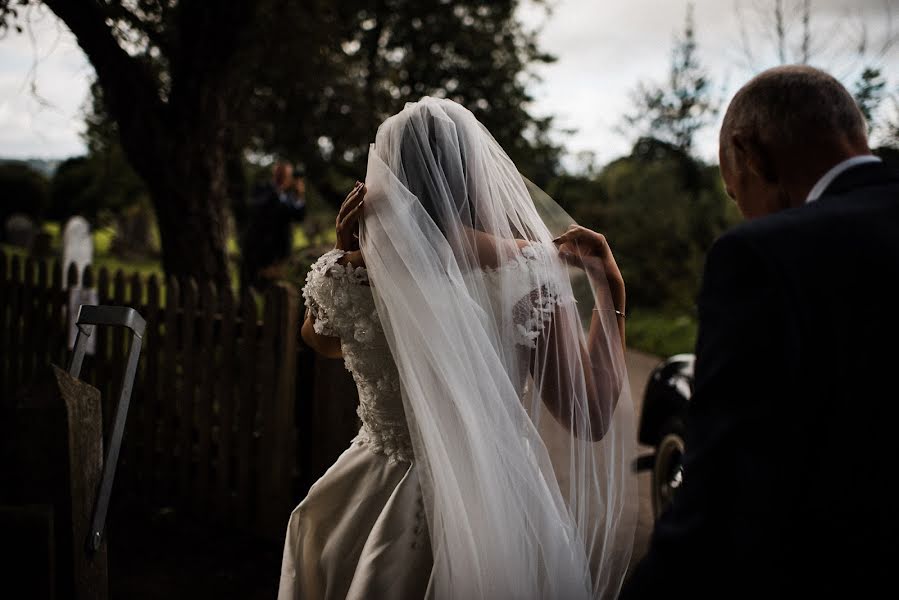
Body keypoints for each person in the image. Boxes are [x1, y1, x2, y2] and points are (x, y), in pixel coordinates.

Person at [278, 98, 638, 599]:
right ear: (478, 176)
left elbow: (318, 338)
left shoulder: (351, 272)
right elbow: (591, 415)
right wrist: (611, 289)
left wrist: (349, 252)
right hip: (492, 503)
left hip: (368, 499)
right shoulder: (527, 276)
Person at [621, 65, 899, 598]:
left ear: (752, 154)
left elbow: (722, 490)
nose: (743, 212)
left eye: (734, 192)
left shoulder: (763, 254)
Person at [240, 161, 306, 292]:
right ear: (274, 175)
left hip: (279, 252)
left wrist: (300, 195)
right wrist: (278, 190)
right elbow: (259, 208)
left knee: (275, 290)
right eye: (280, 175)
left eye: (286, 176)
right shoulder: (262, 189)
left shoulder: (289, 197)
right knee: (250, 289)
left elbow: (298, 216)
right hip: (257, 250)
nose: (283, 179)